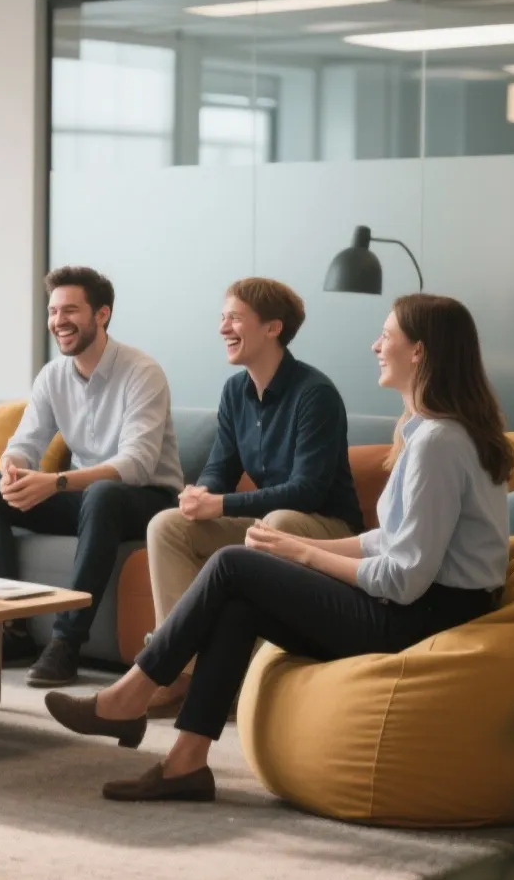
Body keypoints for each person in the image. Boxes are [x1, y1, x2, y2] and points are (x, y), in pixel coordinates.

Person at [45, 294, 512, 803]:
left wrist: (306, 554)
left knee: (232, 566)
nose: (376, 345)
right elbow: (391, 539)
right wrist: (294, 544)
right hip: (421, 606)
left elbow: (403, 578)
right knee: (239, 602)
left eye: (387, 336)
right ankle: (185, 764)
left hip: (420, 619)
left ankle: (129, 695)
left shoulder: (437, 443)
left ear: (419, 351)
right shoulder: (430, 433)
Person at [141, 279, 364, 719]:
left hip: (326, 528)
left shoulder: (314, 394)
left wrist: (221, 506)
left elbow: (308, 491)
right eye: (223, 317)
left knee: (277, 525)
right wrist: (200, 492)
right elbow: (220, 468)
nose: (223, 326)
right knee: (166, 525)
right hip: (271, 522)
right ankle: (180, 672)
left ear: (272, 328)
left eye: (235, 317)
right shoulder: (234, 392)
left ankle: (250, 682)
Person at [0, 266, 181, 688]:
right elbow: (26, 440)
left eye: (71, 310)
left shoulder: (141, 371)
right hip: (88, 500)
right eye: (54, 311)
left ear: (102, 315)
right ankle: (9, 630)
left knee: (104, 495)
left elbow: (137, 464)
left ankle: (67, 644)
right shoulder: (53, 376)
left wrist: (54, 483)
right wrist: (12, 466)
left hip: (145, 499)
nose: (59, 321)